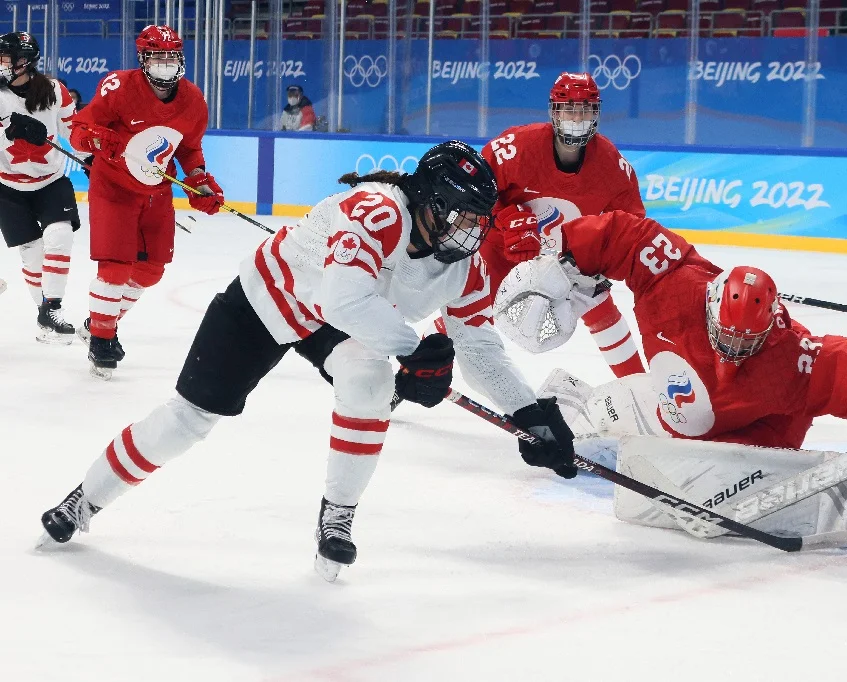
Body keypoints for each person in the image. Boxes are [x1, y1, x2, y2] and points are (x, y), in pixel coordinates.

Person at [36, 141, 578, 581]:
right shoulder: (380, 211)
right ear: (429, 201)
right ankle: (86, 499)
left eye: (478, 220)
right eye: (460, 215)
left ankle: (338, 514)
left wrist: (527, 413)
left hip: (342, 322)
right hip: (270, 299)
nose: (470, 231)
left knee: (369, 385)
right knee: (188, 419)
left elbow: (478, 347)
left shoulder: (464, 265)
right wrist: (415, 353)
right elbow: (343, 299)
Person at [492, 213, 847, 541]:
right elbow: (625, 236)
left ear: (767, 331)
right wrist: (565, 260)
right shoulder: (674, 286)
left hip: (749, 438)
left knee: (745, 479)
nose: (733, 350)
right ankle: (569, 399)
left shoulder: (788, 356)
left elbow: (841, 365)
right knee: (577, 424)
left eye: (746, 342)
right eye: (726, 336)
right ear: (711, 306)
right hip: (664, 408)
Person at [69, 25, 224, 379]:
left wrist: (198, 179)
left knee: (151, 270)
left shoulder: (194, 99)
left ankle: (99, 322)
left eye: (171, 56)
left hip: (157, 192)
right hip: (114, 188)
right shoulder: (118, 87)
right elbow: (79, 131)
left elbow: (189, 148)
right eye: (157, 57)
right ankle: (102, 340)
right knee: (115, 268)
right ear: (142, 59)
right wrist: (96, 140)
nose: (165, 63)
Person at [475, 71, 647, 379]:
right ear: (554, 111)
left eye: (586, 110)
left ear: (597, 114)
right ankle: (418, 367)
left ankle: (640, 386)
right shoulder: (517, 148)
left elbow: (631, 227)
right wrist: (503, 218)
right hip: (503, 250)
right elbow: (473, 192)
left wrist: (601, 260)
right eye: (569, 109)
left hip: (567, 262)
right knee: (470, 307)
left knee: (602, 308)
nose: (577, 118)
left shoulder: (611, 165)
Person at [0, 31, 80, 343]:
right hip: (8, 187)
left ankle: (53, 307)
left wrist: (94, 156)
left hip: (51, 182)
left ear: (24, 62)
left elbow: (75, 133)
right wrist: (10, 130)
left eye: (5, 58)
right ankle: (44, 314)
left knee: (60, 236)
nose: (1, 63)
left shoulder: (55, 91)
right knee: (32, 255)